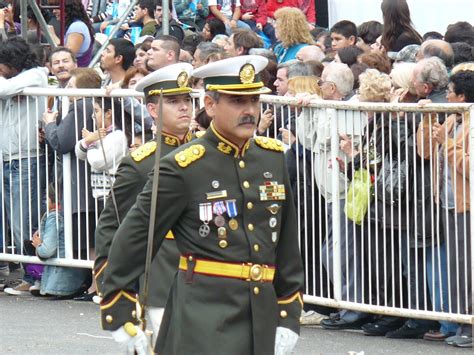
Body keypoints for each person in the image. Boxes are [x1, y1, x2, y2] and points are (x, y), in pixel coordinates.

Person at [99, 55, 304, 354]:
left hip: (261, 312)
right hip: (204, 317)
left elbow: (285, 244)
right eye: (237, 102)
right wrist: (120, 311)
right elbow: (132, 239)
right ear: (210, 105)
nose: (249, 111)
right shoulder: (182, 167)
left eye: (254, 101)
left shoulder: (271, 158)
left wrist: (288, 313)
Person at [94, 62, 195, 331]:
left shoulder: (207, 154)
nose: (184, 107)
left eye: (187, 99)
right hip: (163, 281)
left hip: (210, 281)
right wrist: (112, 284)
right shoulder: (141, 164)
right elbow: (111, 223)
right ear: (153, 110)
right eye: (173, 101)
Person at [416, 69, 473, 348]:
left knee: (468, 268)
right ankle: (461, 321)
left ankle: (469, 326)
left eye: (450, 91)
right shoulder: (451, 119)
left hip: (467, 206)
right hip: (447, 204)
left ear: (462, 96)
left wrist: (447, 145)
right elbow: (425, 151)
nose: (446, 95)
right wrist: (427, 120)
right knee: (455, 269)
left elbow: (469, 167)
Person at [0, 37, 48, 288]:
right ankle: (32, 274)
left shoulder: (37, 75)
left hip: (27, 156)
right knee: (16, 223)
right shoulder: (12, 80)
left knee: (25, 222)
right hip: (8, 157)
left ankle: (36, 275)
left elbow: (4, 90)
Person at [31, 184, 90, 298]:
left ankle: (39, 281)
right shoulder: (68, 215)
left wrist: (38, 245)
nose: (44, 202)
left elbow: (47, 251)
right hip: (78, 276)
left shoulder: (54, 217)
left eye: (46, 198)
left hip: (60, 282)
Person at [75, 97, 132, 199]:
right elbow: (79, 154)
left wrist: (91, 142)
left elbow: (98, 162)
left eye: (96, 111)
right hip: (101, 195)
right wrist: (87, 141)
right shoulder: (99, 134)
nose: (92, 115)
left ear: (108, 113)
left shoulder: (118, 136)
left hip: (113, 196)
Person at [53, 0, 94, 67]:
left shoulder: (77, 27)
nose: (54, 11)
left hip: (78, 74)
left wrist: (51, 35)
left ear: (68, 9)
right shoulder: (73, 25)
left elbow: (66, 56)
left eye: (57, 8)